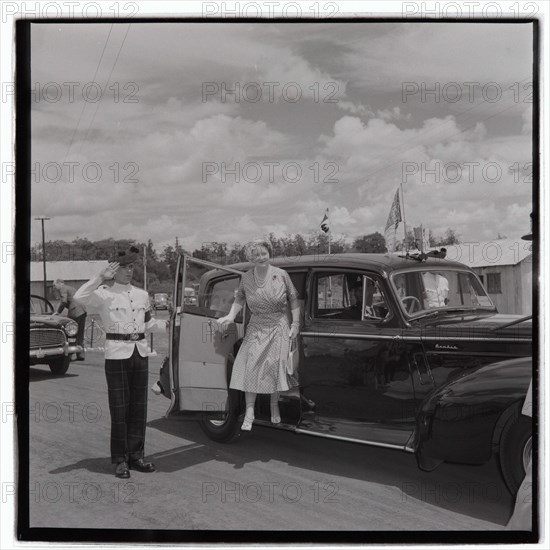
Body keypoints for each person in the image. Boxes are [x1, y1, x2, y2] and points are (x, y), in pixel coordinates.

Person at [74, 245, 168, 478]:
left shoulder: (141, 295)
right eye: (124, 267)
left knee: (138, 408)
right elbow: (78, 297)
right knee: (119, 410)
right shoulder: (103, 293)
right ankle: (120, 460)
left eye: (131, 266)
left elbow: (148, 324)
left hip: (140, 353)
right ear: (113, 270)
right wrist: (99, 277)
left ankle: (136, 456)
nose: (129, 271)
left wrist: (172, 323)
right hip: (117, 354)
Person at [217, 239, 300, 431]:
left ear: (269, 253)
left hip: (279, 324)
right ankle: (250, 411)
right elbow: (240, 298)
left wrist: (295, 323)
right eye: (256, 255)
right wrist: (230, 316)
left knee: (275, 367)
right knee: (251, 367)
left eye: (263, 253)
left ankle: (273, 405)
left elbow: (294, 299)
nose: (260, 258)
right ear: (250, 258)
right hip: (256, 325)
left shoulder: (282, 275)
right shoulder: (246, 278)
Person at [53, 278, 87, 361]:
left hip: (74, 311)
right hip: (82, 310)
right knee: (80, 333)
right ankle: (80, 354)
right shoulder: (71, 288)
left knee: (70, 332)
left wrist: (57, 312)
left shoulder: (62, 288)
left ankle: (69, 355)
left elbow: (63, 301)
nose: (54, 287)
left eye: (54, 285)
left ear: (60, 283)